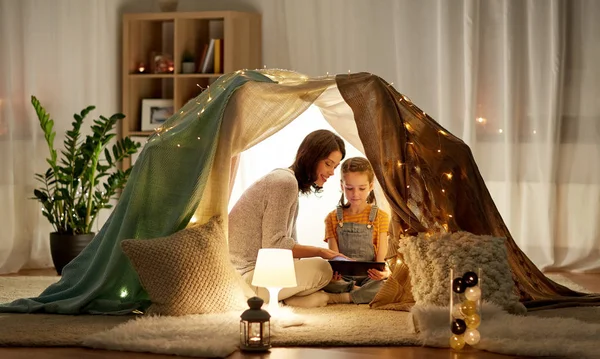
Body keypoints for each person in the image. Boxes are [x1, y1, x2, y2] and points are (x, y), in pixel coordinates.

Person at [228, 129, 348, 308]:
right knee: (323, 268)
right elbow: (275, 245)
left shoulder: (287, 181)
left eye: (335, 167)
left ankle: (286, 299)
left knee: (323, 278)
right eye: (328, 164)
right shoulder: (284, 183)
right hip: (249, 278)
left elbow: (289, 245)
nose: (331, 172)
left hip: (258, 274)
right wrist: (322, 252)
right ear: (312, 157)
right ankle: (293, 298)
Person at [323, 157, 391, 304]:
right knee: (323, 280)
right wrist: (336, 276)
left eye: (361, 188)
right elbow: (335, 257)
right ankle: (356, 292)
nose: (355, 194)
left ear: (371, 186)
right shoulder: (332, 218)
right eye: (349, 188)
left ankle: (346, 297)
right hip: (344, 278)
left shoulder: (381, 217)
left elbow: (381, 259)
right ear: (342, 186)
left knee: (387, 285)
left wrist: (382, 274)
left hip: (370, 278)